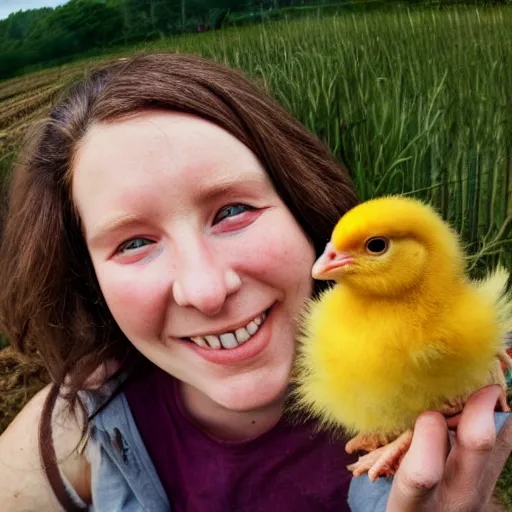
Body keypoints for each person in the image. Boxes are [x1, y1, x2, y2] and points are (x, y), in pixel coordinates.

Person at [0, 52, 509, 512]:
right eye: (133, 243)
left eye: (233, 211)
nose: (205, 289)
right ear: (87, 276)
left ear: (299, 203)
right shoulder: (75, 426)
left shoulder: (468, 371)